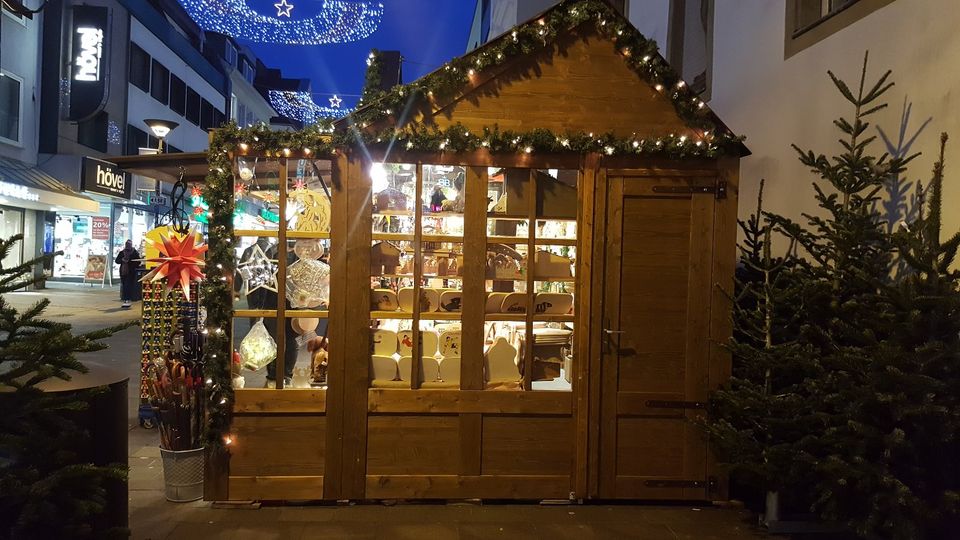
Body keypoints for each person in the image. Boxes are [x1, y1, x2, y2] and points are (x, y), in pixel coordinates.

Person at [115, 240, 141, 308]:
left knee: (128, 285)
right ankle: (125, 299)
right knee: (124, 285)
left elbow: (138, 261)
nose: (127, 246)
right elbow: (117, 261)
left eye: (129, 244)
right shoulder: (122, 252)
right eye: (127, 244)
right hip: (123, 271)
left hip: (131, 272)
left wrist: (130, 263)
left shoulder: (134, 252)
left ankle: (127, 299)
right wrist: (122, 260)